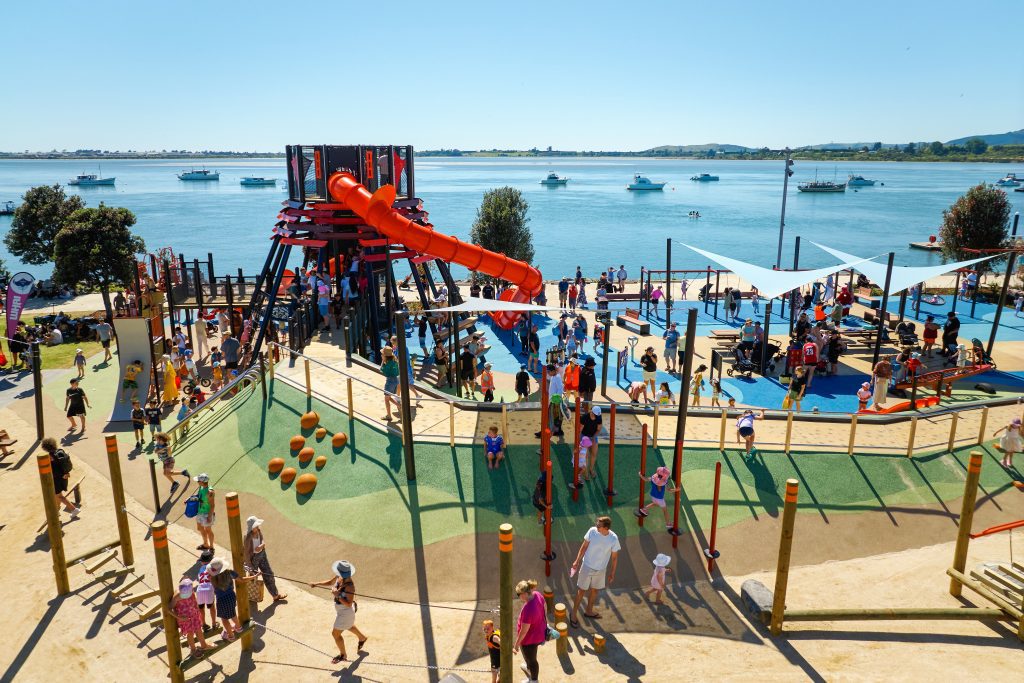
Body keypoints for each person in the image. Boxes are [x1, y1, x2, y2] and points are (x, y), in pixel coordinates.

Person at [311, 560, 368, 664]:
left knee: (335, 634)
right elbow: (330, 582)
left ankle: (343, 655)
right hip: (342, 611)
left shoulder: (350, 586)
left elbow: (349, 603)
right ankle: (362, 638)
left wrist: (337, 595)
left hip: (346, 612)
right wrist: (317, 583)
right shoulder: (339, 577)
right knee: (348, 625)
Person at [569, 516, 620, 628]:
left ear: (606, 527)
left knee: (595, 591)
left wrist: (612, 573)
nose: (596, 525)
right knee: (581, 591)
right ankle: (573, 614)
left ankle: (588, 611)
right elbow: (584, 546)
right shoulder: (592, 531)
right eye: (597, 523)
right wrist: (576, 561)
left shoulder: (613, 539)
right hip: (586, 566)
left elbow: (614, 558)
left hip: (601, 570)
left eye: (599, 525)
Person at [243, 516, 288, 603]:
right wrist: (250, 566)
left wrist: (262, 545)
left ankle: (275, 595)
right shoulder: (248, 537)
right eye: (256, 526)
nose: (257, 527)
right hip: (253, 559)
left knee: (269, 574)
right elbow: (246, 553)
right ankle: (249, 596)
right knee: (252, 578)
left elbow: (262, 540)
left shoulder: (258, 531)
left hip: (262, 555)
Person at [512, 579, 548, 683]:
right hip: (539, 632)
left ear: (524, 593)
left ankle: (534, 680)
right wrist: (544, 622)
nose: (518, 596)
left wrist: (516, 645)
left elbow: (524, 631)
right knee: (529, 657)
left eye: (519, 594)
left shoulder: (528, 609)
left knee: (532, 660)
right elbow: (544, 606)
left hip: (530, 640)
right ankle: (528, 668)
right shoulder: (537, 594)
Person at [170, 578, 214, 659]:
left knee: (199, 630)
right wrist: (179, 617)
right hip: (185, 618)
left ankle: (204, 645)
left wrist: (198, 613)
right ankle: (193, 649)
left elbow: (194, 602)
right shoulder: (177, 596)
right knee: (190, 633)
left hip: (194, 615)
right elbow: (169, 609)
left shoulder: (191, 592)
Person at [208, 557, 245, 641]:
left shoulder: (212, 578)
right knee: (232, 613)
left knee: (224, 619)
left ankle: (231, 636)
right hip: (231, 596)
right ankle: (238, 627)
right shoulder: (229, 573)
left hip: (221, 599)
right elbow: (241, 579)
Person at [42, 437, 80, 518]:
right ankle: (57, 510)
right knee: (58, 495)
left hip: (57, 480)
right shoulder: (59, 452)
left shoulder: (50, 457)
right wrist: (65, 473)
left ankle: (74, 509)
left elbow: (55, 471)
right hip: (64, 478)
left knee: (59, 496)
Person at [192, 472, 215, 549]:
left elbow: (212, 505)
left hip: (206, 513)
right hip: (200, 512)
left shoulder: (210, 492)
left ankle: (211, 547)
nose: (197, 482)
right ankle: (205, 544)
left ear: (202, 482)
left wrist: (209, 516)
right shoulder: (201, 488)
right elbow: (199, 497)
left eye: (198, 481)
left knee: (208, 530)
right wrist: (189, 500)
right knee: (200, 528)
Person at [195, 549, 217, 630]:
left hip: (200, 589)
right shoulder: (212, 567)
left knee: (201, 608)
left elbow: (199, 579)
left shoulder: (200, 569)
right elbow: (214, 577)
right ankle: (214, 623)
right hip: (209, 588)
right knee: (211, 607)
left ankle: (203, 624)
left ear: (204, 562)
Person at [579, 405, 602, 479]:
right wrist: (580, 440)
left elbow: (598, 429)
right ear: (591, 412)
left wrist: (594, 437)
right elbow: (580, 430)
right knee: (585, 455)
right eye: (595, 415)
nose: (596, 416)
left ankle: (591, 469)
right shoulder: (584, 417)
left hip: (593, 435)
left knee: (594, 453)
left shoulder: (598, 418)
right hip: (584, 436)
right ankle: (585, 473)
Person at [380, 347, 401, 419]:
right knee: (388, 397)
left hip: (390, 382)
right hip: (396, 380)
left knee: (386, 399)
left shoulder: (388, 363)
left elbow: (384, 372)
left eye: (382, 354)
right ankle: (398, 405)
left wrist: (383, 363)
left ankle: (389, 415)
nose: (381, 355)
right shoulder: (394, 360)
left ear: (385, 355)